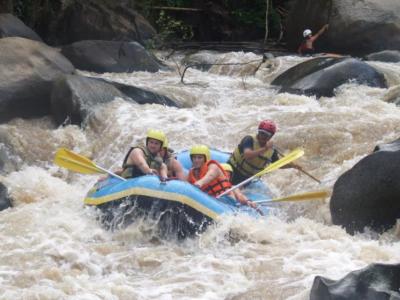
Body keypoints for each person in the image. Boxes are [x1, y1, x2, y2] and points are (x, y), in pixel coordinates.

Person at [227, 120, 280, 185]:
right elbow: (247, 156)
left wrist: (293, 166)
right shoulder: (249, 139)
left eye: (266, 135)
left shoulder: (272, 150)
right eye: (262, 133)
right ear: (258, 131)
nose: (263, 136)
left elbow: (279, 164)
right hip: (233, 171)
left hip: (245, 179)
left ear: (271, 136)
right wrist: (265, 148)